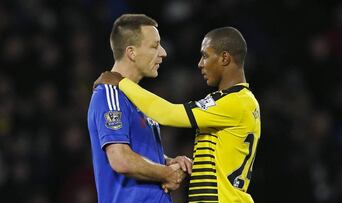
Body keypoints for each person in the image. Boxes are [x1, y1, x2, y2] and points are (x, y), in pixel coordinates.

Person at [95, 26, 261, 202]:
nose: (200, 64)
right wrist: (173, 164)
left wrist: (121, 83)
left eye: (205, 56)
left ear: (225, 58)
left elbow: (168, 113)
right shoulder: (232, 100)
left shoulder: (236, 102)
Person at [87, 14, 192, 203]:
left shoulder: (137, 98)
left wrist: (168, 161)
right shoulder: (110, 95)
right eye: (154, 46)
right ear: (131, 52)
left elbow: (138, 152)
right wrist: (166, 173)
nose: (163, 52)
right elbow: (120, 159)